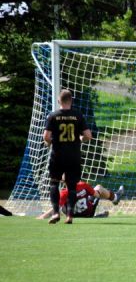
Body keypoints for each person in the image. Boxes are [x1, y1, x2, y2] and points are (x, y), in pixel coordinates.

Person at [43, 89, 92, 224]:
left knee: (54, 183)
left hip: (57, 155)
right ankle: (70, 215)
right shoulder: (78, 115)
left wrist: (49, 143)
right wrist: (80, 139)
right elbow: (88, 136)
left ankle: (55, 213)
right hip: (73, 156)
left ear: (59, 101)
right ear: (71, 101)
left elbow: (46, 137)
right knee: (71, 186)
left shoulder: (53, 116)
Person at [37, 181, 124, 219]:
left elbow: (55, 209)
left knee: (61, 204)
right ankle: (115, 198)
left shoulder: (63, 193)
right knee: (98, 188)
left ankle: (97, 214)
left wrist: (42, 216)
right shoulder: (83, 185)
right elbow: (97, 195)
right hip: (88, 213)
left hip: (71, 216)